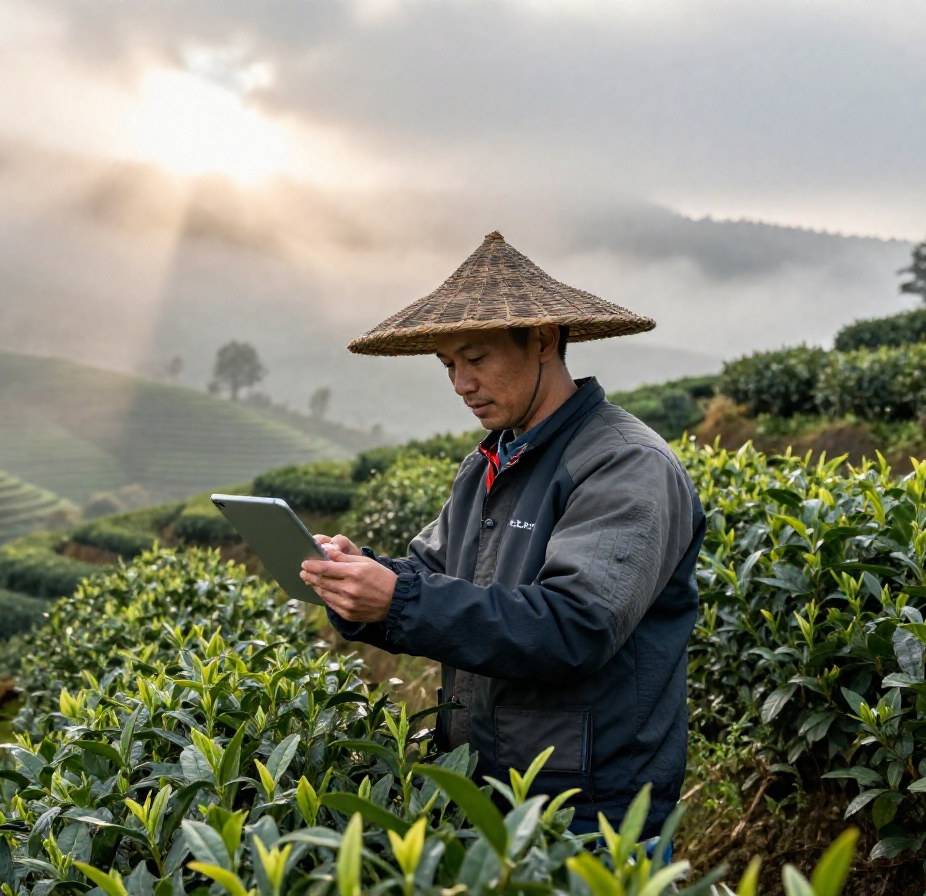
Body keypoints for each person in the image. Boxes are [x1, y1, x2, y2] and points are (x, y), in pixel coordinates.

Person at [299, 231, 706, 842]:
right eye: (449, 365)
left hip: (587, 812)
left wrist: (399, 598)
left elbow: (576, 627)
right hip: (485, 793)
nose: (461, 383)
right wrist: (362, 579)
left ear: (542, 340)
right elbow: (429, 578)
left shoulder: (623, 463)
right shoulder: (489, 465)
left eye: (476, 359)